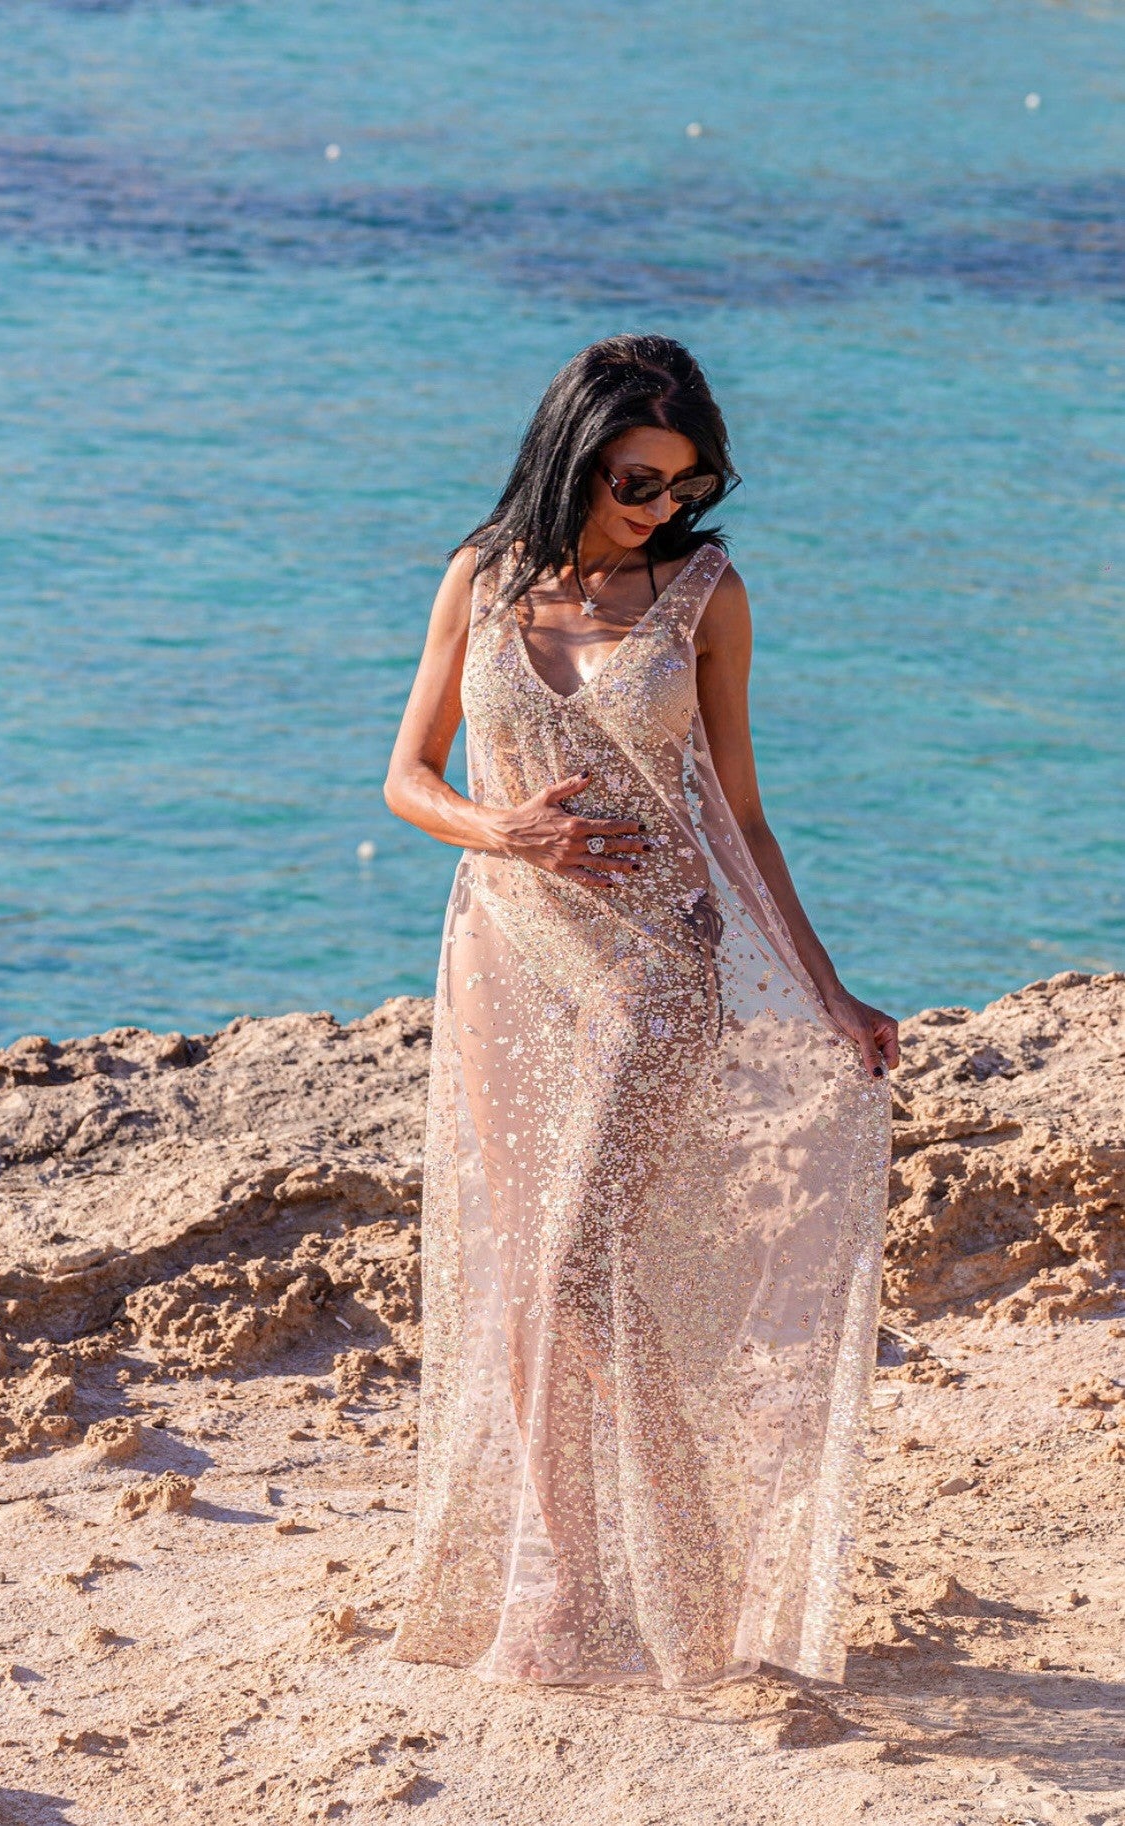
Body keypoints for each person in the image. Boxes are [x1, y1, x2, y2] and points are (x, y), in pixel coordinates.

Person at [383, 334, 898, 1690]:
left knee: (578, 1265)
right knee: (524, 1277)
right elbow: (407, 776)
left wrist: (830, 990)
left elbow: (744, 815)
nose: (662, 506)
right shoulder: (482, 577)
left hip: (657, 968)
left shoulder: (706, 594)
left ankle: (685, 1569)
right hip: (505, 959)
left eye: (687, 483)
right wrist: (505, 830)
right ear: (575, 455)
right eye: (636, 481)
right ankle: (565, 1586)